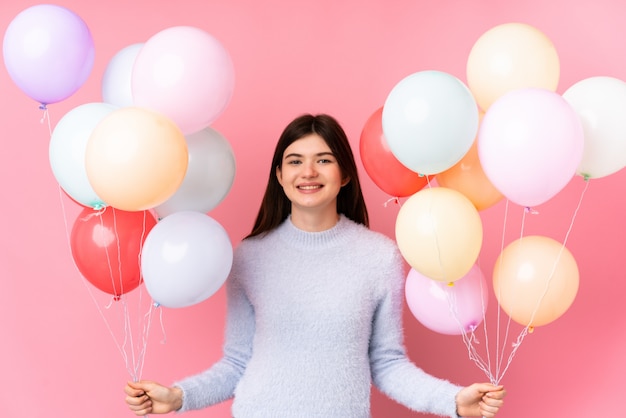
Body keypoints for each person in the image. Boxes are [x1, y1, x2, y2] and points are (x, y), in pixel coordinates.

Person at [125, 113, 506, 417]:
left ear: (344, 176)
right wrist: (177, 397)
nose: (308, 172)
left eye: (323, 160)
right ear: (279, 175)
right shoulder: (249, 257)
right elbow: (237, 363)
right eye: (295, 161)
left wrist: (453, 401)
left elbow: (387, 363)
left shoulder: (379, 257)